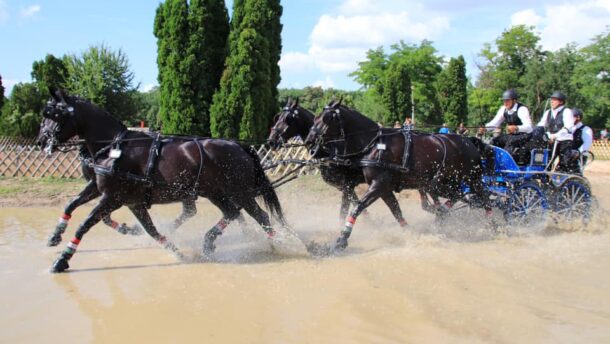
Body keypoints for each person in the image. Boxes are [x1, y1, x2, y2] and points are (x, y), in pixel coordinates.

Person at [479, 89, 533, 163]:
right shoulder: (503, 109)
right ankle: (491, 165)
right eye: (504, 101)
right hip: (512, 136)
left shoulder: (522, 109)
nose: (505, 103)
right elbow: (495, 123)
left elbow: (529, 127)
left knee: (510, 142)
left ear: (514, 101)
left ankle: (505, 164)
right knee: (494, 141)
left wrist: (516, 128)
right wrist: (485, 128)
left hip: (525, 135)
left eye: (507, 100)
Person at [536, 91, 576, 173]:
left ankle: (563, 178)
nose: (552, 101)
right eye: (551, 99)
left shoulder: (566, 111)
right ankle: (545, 178)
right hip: (552, 141)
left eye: (554, 100)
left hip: (564, 141)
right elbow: (541, 125)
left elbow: (568, 127)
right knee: (547, 161)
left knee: (564, 163)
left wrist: (555, 135)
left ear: (561, 102)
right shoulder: (548, 112)